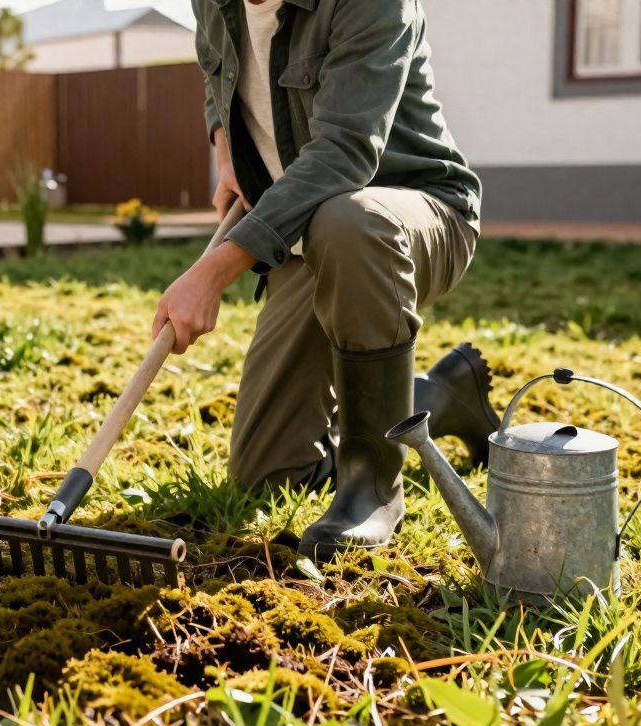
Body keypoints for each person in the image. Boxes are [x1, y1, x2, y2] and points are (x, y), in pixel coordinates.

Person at [152, 0, 499, 559]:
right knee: (268, 473)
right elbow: (216, 74)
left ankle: (373, 485)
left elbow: (344, 154)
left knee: (349, 219)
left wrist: (212, 273)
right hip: (306, 235)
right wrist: (226, 155)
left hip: (412, 217)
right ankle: (438, 398)